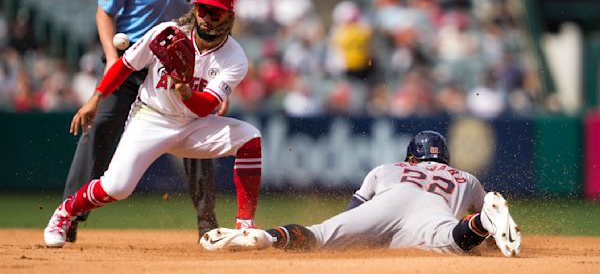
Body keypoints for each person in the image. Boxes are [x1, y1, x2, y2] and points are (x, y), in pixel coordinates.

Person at [44, 0, 262, 248]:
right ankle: (64, 213)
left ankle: (245, 226)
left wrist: (183, 89)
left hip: (194, 124)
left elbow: (206, 107)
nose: (206, 18)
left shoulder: (235, 57)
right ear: (194, 10)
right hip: (151, 117)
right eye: (202, 10)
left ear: (229, 15)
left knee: (250, 137)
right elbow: (125, 65)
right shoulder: (167, 33)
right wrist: (96, 97)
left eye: (214, 12)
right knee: (117, 188)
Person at [62, 0, 222, 242]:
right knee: (101, 126)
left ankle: (207, 221)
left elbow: (215, 25)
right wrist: (110, 56)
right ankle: (70, 213)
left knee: (197, 134)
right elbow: (105, 11)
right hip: (132, 60)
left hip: (176, 69)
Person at [200, 130, 521, 258]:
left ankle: (266, 237)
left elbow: (351, 213)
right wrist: (486, 234)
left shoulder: (387, 168)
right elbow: (494, 244)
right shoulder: (466, 178)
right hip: (433, 209)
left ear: (411, 158)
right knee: (455, 240)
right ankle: (481, 219)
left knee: (319, 236)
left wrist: (357, 232)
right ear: (445, 159)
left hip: (389, 198)